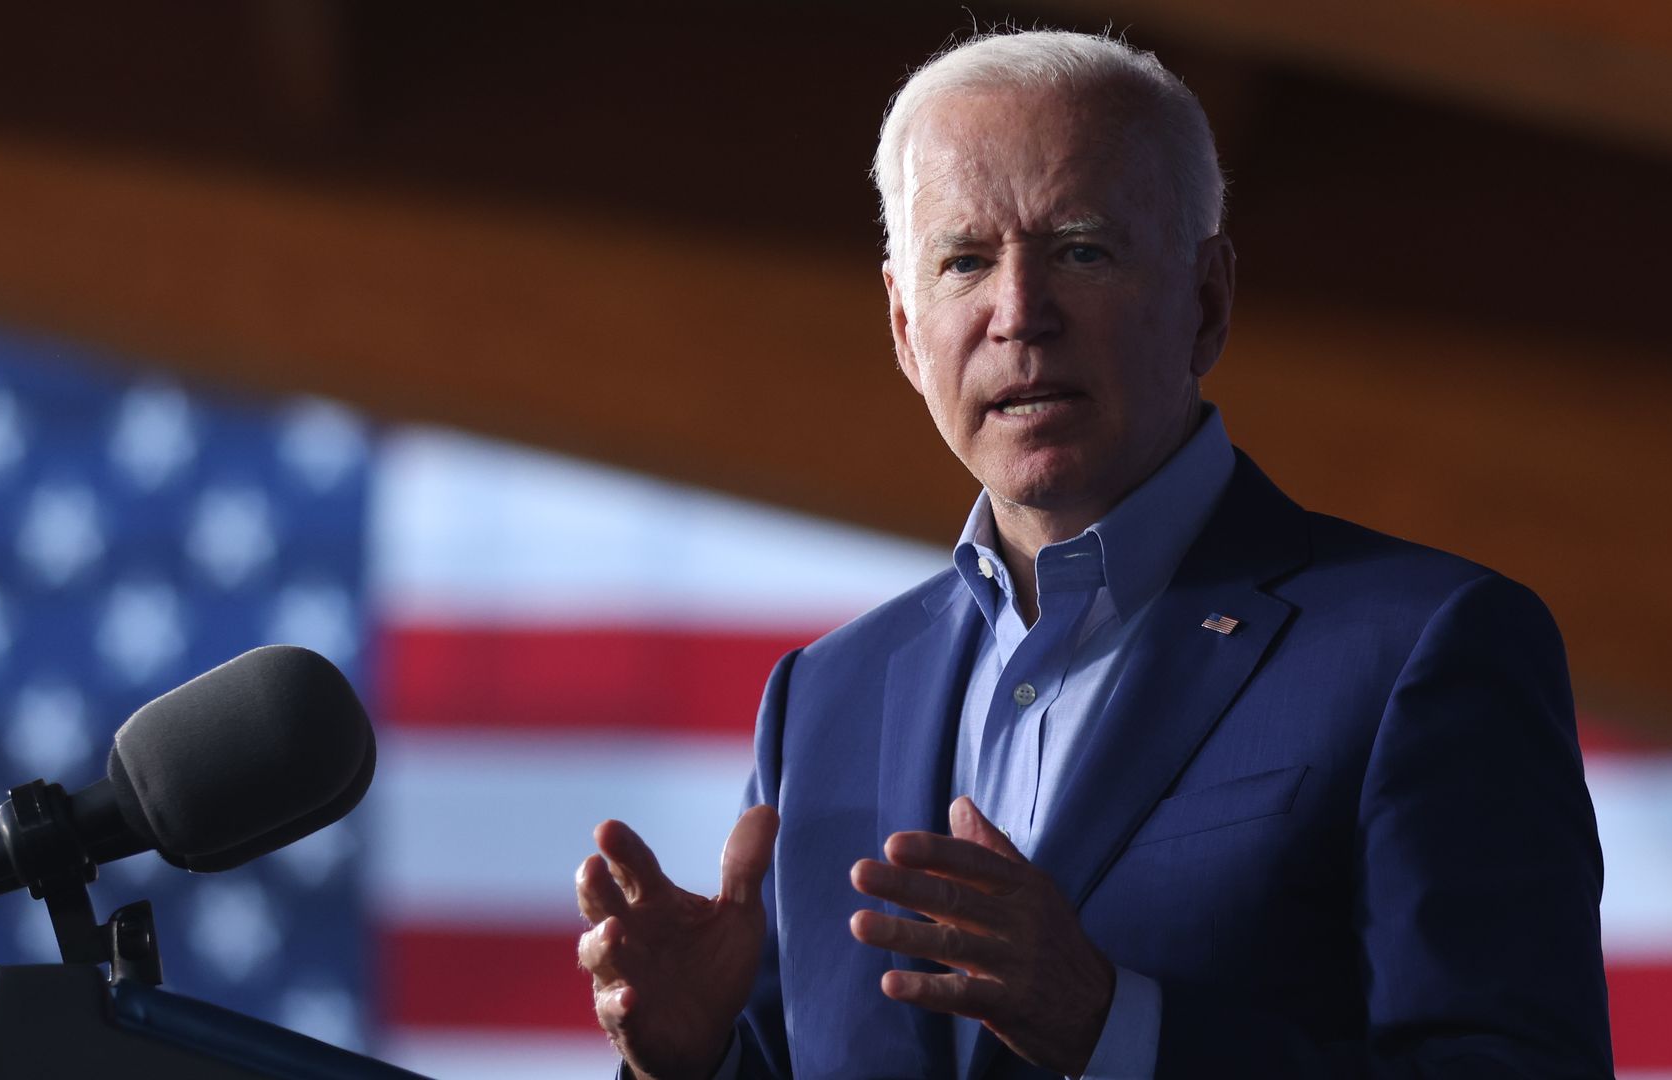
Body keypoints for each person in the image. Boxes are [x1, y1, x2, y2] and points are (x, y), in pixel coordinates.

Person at [576, 29, 1613, 1080]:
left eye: (1082, 249)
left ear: (1206, 301)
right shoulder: (824, 695)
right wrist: (697, 1063)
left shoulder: (1426, 646)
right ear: (903, 324)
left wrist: (1113, 1027)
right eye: (965, 261)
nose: (1019, 316)